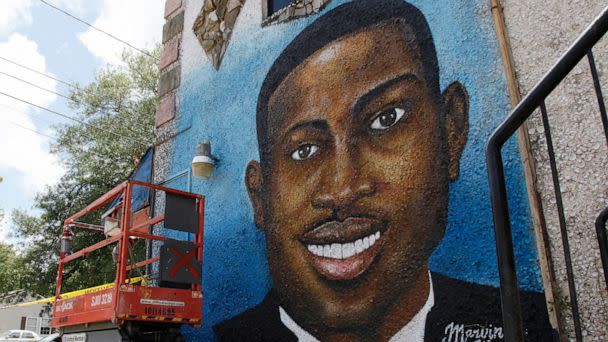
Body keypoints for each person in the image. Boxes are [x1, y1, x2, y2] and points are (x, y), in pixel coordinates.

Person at [215, 0, 554, 340]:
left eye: (386, 119)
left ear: (451, 131)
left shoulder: (524, 323)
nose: (343, 188)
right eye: (305, 151)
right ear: (260, 197)